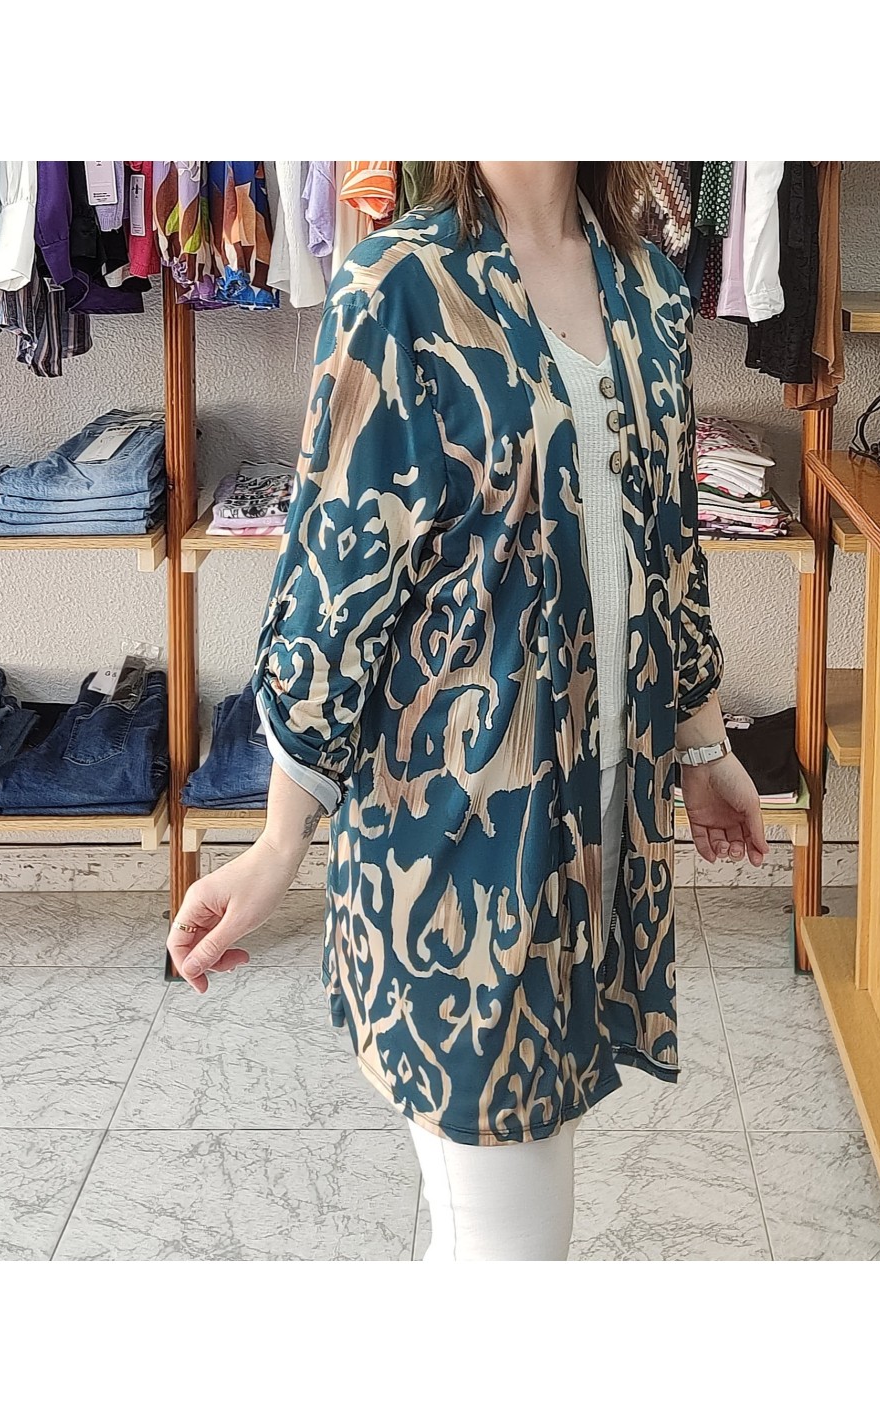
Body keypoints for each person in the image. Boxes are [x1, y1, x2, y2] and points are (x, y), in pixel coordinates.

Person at [166, 161, 769, 1261]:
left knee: (483, 1231)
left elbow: (667, 541)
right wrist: (278, 841)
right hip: (456, 848)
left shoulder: (644, 282)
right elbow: (335, 582)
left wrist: (701, 744)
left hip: (598, 832)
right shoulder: (397, 285)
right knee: (510, 1243)